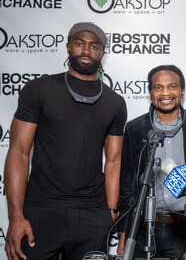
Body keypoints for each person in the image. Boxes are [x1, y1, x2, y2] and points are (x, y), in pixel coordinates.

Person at [3, 22, 127, 260]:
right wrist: (16, 216)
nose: (86, 51)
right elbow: (18, 151)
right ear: (68, 46)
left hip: (92, 215)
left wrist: (110, 212)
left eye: (94, 46)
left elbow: (113, 160)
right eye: (80, 43)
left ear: (102, 53)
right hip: (40, 212)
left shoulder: (115, 102)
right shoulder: (39, 90)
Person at [117, 65, 186, 259]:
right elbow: (127, 182)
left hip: (184, 228)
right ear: (150, 92)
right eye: (158, 87)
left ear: (182, 91)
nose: (165, 93)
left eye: (172, 86)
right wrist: (124, 231)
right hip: (141, 229)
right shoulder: (135, 128)